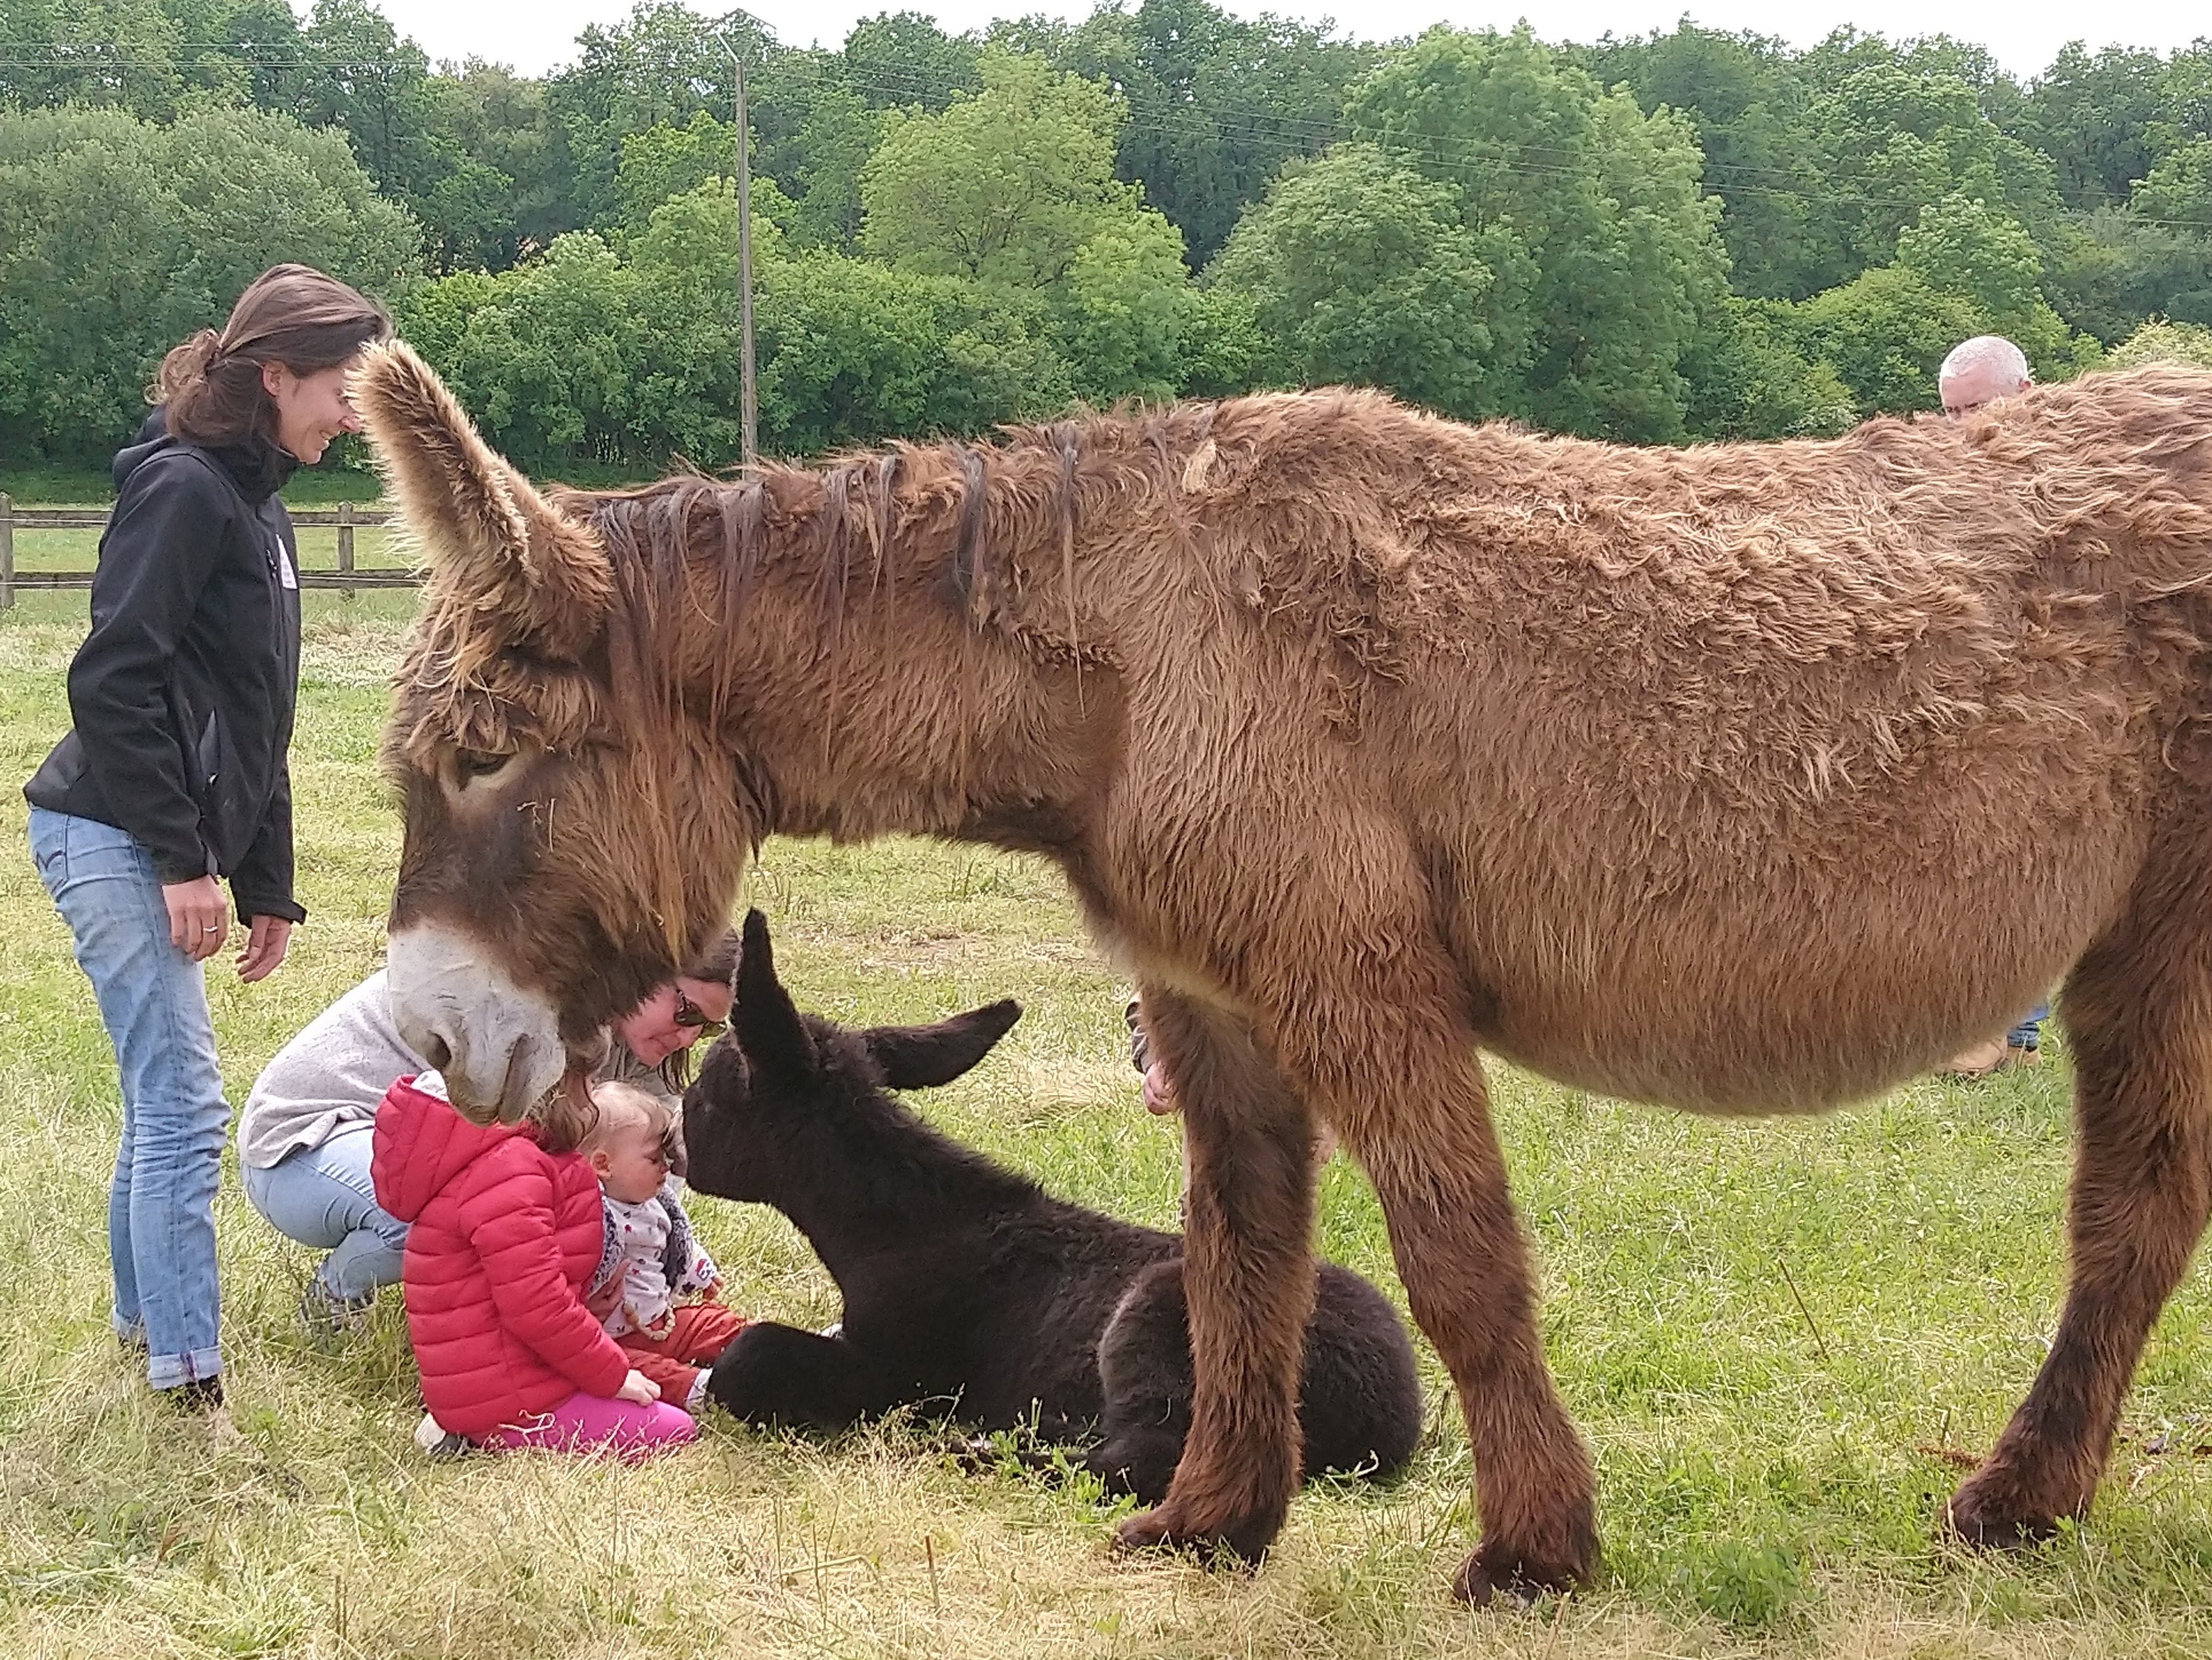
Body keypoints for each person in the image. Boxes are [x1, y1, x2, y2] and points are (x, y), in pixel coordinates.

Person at [24, 265, 392, 1408]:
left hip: (158, 835)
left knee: (159, 1101)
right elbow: (114, 679)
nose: (353, 411)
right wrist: (185, 862)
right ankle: (191, 1387)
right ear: (276, 377)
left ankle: (147, 1336)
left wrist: (267, 883)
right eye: (342, 386)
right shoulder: (184, 489)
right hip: (109, 831)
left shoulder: (258, 505)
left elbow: (256, 707)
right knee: (184, 1108)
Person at [237, 931, 739, 1331]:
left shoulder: (639, 1045)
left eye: (707, 1027)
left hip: (401, 1155)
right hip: (302, 1145)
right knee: (461, 1220)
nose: (688, 1035)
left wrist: (655, 1263)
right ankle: (333, 1304)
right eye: (685, 1010)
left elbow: (647, 1181)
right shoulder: (530, 997)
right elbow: (516, 1184)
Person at [369, 1069, 698, 1458]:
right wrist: (613, 1376)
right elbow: (537, 1305)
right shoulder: (512, 1170)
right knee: (673, 1429)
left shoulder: (521, 1154)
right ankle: (481, 1433)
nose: (595, 1099)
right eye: (588, 1084)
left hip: (517, 1376)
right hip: (512, 1398)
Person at [1933, 335, 2050, 1078]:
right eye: (1952, 412)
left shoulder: (2070, 471)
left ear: (2026, 391)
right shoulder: (1955, 479)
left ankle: (2006, 1032)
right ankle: (2010, 1032)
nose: (1965, 425)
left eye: (1978, 405)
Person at [578, 1080, 745, 1415]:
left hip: (659, 1318)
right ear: (604, 1164)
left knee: (712, 1321)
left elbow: (674, 1241)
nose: (666, 1167)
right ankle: (699, 1388)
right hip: (614, 1336)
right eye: (654, 1158)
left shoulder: (655, 1202)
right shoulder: (591, 1214)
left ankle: (766, 1347)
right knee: (641, 1370)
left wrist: (697, 1270)